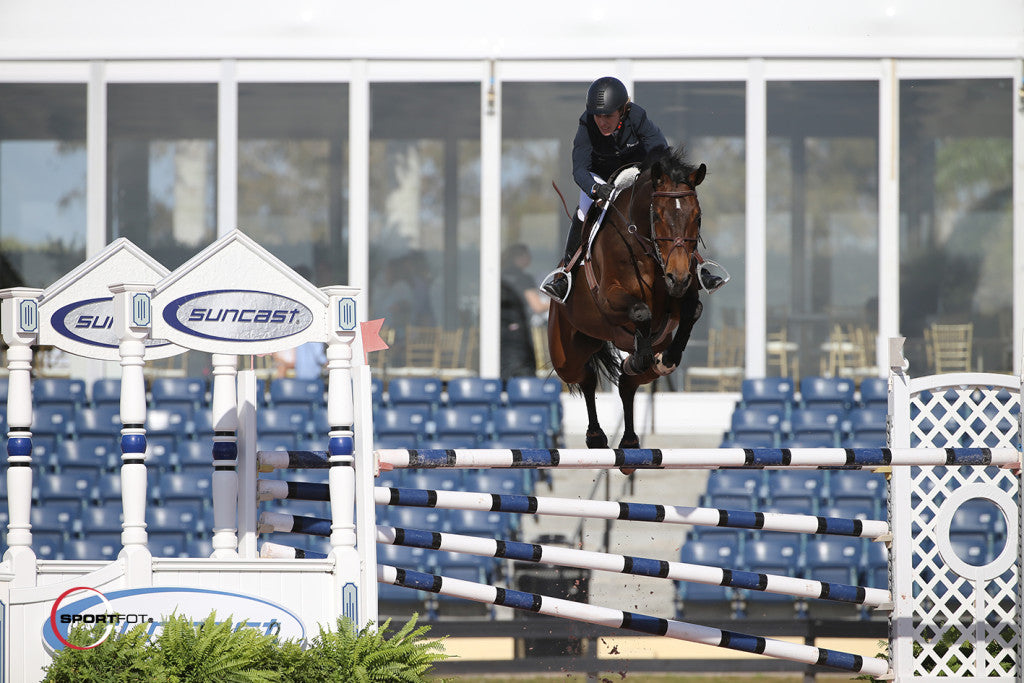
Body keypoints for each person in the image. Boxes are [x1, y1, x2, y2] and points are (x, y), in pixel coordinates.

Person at [540, 76, 726, 302]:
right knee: (583, 210)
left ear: (623, 110)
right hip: (601, 178)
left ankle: (699, 268)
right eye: (598, 115)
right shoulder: (586, 124)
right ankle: (565, 275)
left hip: (634, 173)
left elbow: (661, 154)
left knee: (671, 210)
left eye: (608, 115)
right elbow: (579, 169)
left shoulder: (638, 117)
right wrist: (596, 189)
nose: (602, 122)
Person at [501, 243, 548, 378]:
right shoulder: (523, 278)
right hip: (517, 336)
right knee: (521, 373)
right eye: (528, 256)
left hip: (501, 333)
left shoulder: (501, 275)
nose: (530, 259)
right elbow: (537, 306)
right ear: (519, 257)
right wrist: (558, 302)